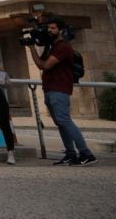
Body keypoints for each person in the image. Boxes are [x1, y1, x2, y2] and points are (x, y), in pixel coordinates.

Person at [29, 17, 96, 166]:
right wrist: (34, 45)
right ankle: (70, 154)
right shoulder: (52, 46)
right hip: (50, 88)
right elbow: (43, 63)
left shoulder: (63, 47)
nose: (50, 31)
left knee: (65, 121)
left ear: (61, 30)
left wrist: (32, 47)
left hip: (59, 89)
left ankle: (86, 153)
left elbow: (44, 65)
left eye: (53, 28)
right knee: (61, 123)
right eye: (49, 28)